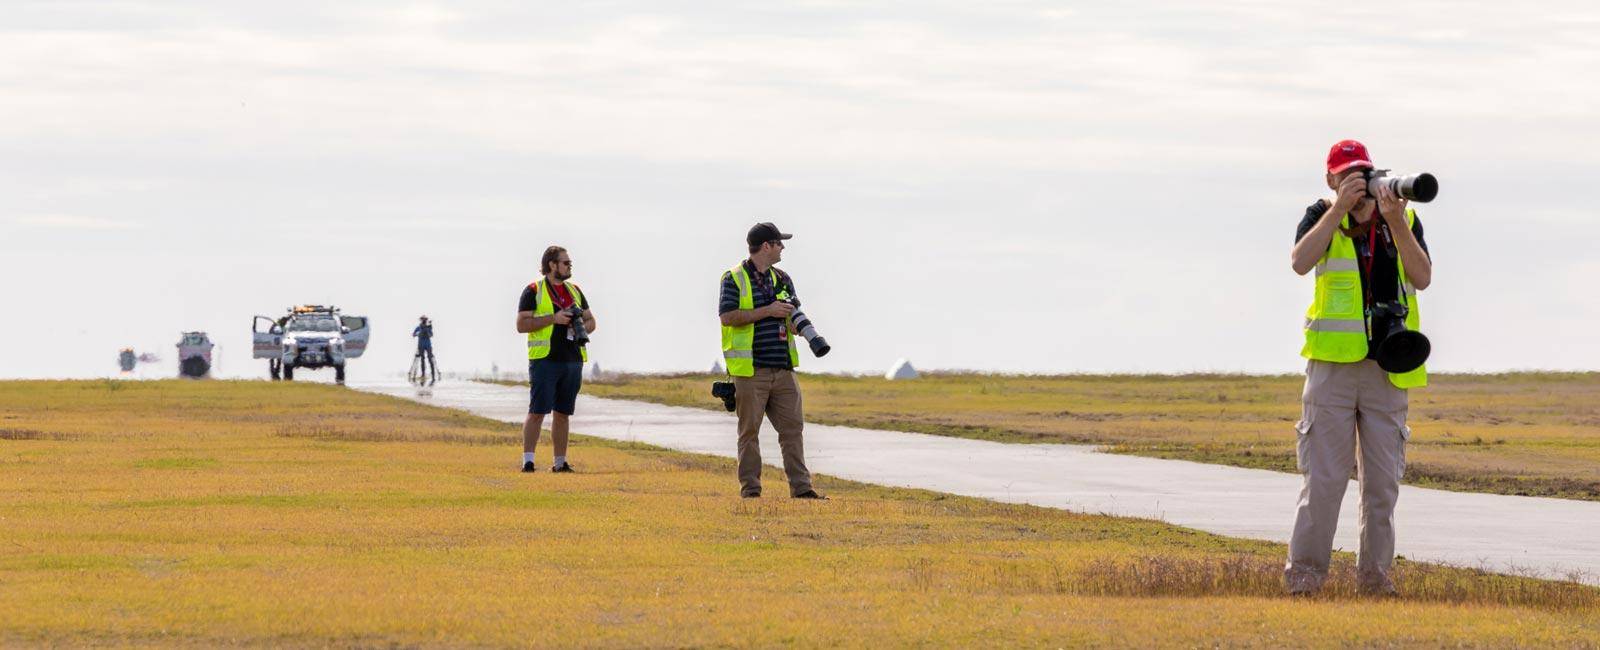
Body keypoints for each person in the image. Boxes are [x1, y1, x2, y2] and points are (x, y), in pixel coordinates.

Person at [1286, 140, 1433, 596]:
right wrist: (1338, 211)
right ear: (1330, 179)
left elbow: (1422, 277)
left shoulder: (1402, 217)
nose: (1360, 182)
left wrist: (1393, 219)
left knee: (1382, 486)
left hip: (1389, 366)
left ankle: (1375, 581)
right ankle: (1305, 580)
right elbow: (1299, 262)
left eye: (1364, 172)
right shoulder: (1320, 215)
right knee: (1325, 482)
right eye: (1348, 174)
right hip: (1332, 367)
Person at [718, 222, 824, 499]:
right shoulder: (734, 278)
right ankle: (751, 491)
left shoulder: (783, 279)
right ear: (766, 246)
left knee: (793, 430)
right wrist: (769, 310)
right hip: (751, 370)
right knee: (749, 432)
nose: (783, 247)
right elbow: (728, 317)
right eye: (779, 243)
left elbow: (790, 318)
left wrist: (800, 327)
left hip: (783, 368)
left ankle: (802, 489)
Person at [515, 246, 596, 473]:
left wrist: (578, 328)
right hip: (544, 360)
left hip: (572, 359)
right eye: (566, 263)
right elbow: (521, 324)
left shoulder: (575, 290)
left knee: (563, 413)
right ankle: (528, 461)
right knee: (537, 411)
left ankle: (560, 463)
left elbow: (591, 321)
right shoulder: (534, 290)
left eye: (570, 263)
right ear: (552, 265)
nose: (570, 266)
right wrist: (554, 319)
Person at [411, 315, 437, 383]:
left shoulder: (428, 327)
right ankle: (423, 374)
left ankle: (433, 376)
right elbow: (413, 334)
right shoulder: (419, 327)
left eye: (425, 319)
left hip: (427, 345)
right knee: (422, 359)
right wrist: (418, 334)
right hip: (421, 345)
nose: (424, 321)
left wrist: (427, 332)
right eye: (423, 319)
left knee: (430, 359)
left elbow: (431, 335)